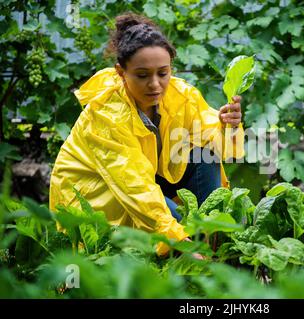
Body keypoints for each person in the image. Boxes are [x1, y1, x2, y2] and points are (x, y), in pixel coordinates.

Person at [49, 12, 245, 256]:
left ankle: (212, 245)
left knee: (205, 157)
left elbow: (220, 144)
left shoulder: (179, 94)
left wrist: (230, 124)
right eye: (142, 75)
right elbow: (136, 188)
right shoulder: (107, 115)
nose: (155, 84)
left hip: (143, 180)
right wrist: (178, 239)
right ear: (121, 73)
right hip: (98, 195)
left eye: (163, 73)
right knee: (168, 218)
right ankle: (189, 256)